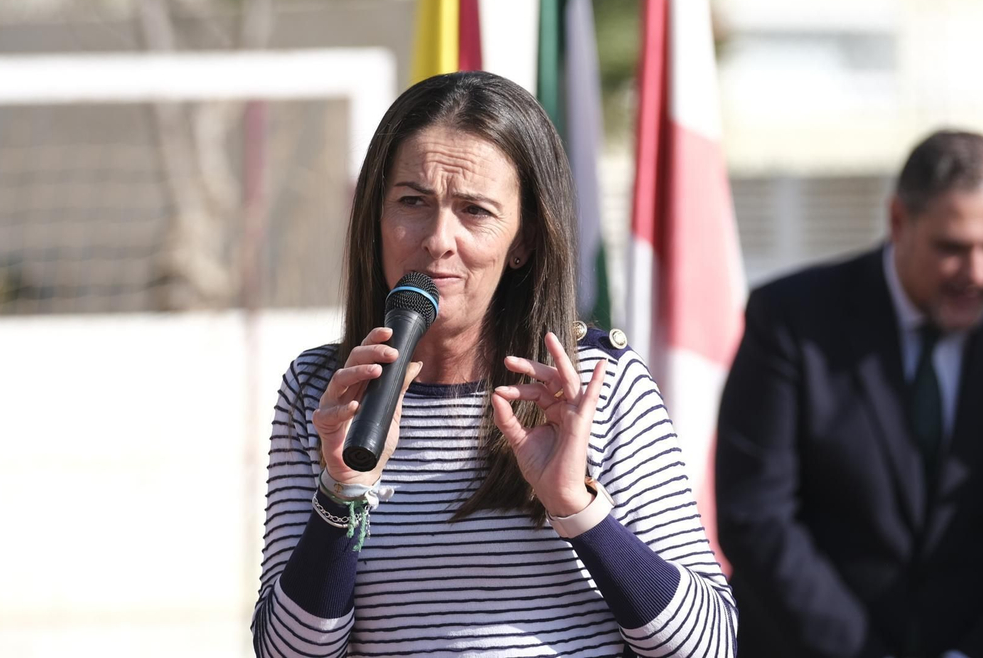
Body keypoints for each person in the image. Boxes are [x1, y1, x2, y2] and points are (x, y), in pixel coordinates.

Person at [251, 71, 738, 657]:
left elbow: (708, 644)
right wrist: (342, 490)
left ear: (523, 240)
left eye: (474, 211)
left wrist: (577, 507)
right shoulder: (321, 391)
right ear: (375, 218)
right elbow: (288, 652)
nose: (438, 239)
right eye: (412, 202)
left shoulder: (593, 385)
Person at [715, 130, 983, 658]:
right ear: (899, 220)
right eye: (952, 248)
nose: (977, 272)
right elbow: (756, 516)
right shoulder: (792, 321)